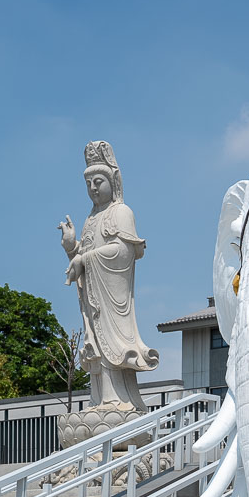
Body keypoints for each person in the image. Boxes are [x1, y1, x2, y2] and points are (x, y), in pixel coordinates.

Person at [58, 141, 158, 408]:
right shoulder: (90, 219)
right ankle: (99, 399)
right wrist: (72, 248)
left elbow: (123, 252)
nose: (92, 188)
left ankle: (118, 401)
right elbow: (84, 257)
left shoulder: (121, 212)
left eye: (98, 181)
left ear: (112, 182)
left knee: (111, 346)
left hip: (112, 300)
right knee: (95, 346)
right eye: (88, 183)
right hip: (94, 300)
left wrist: (84, 258)